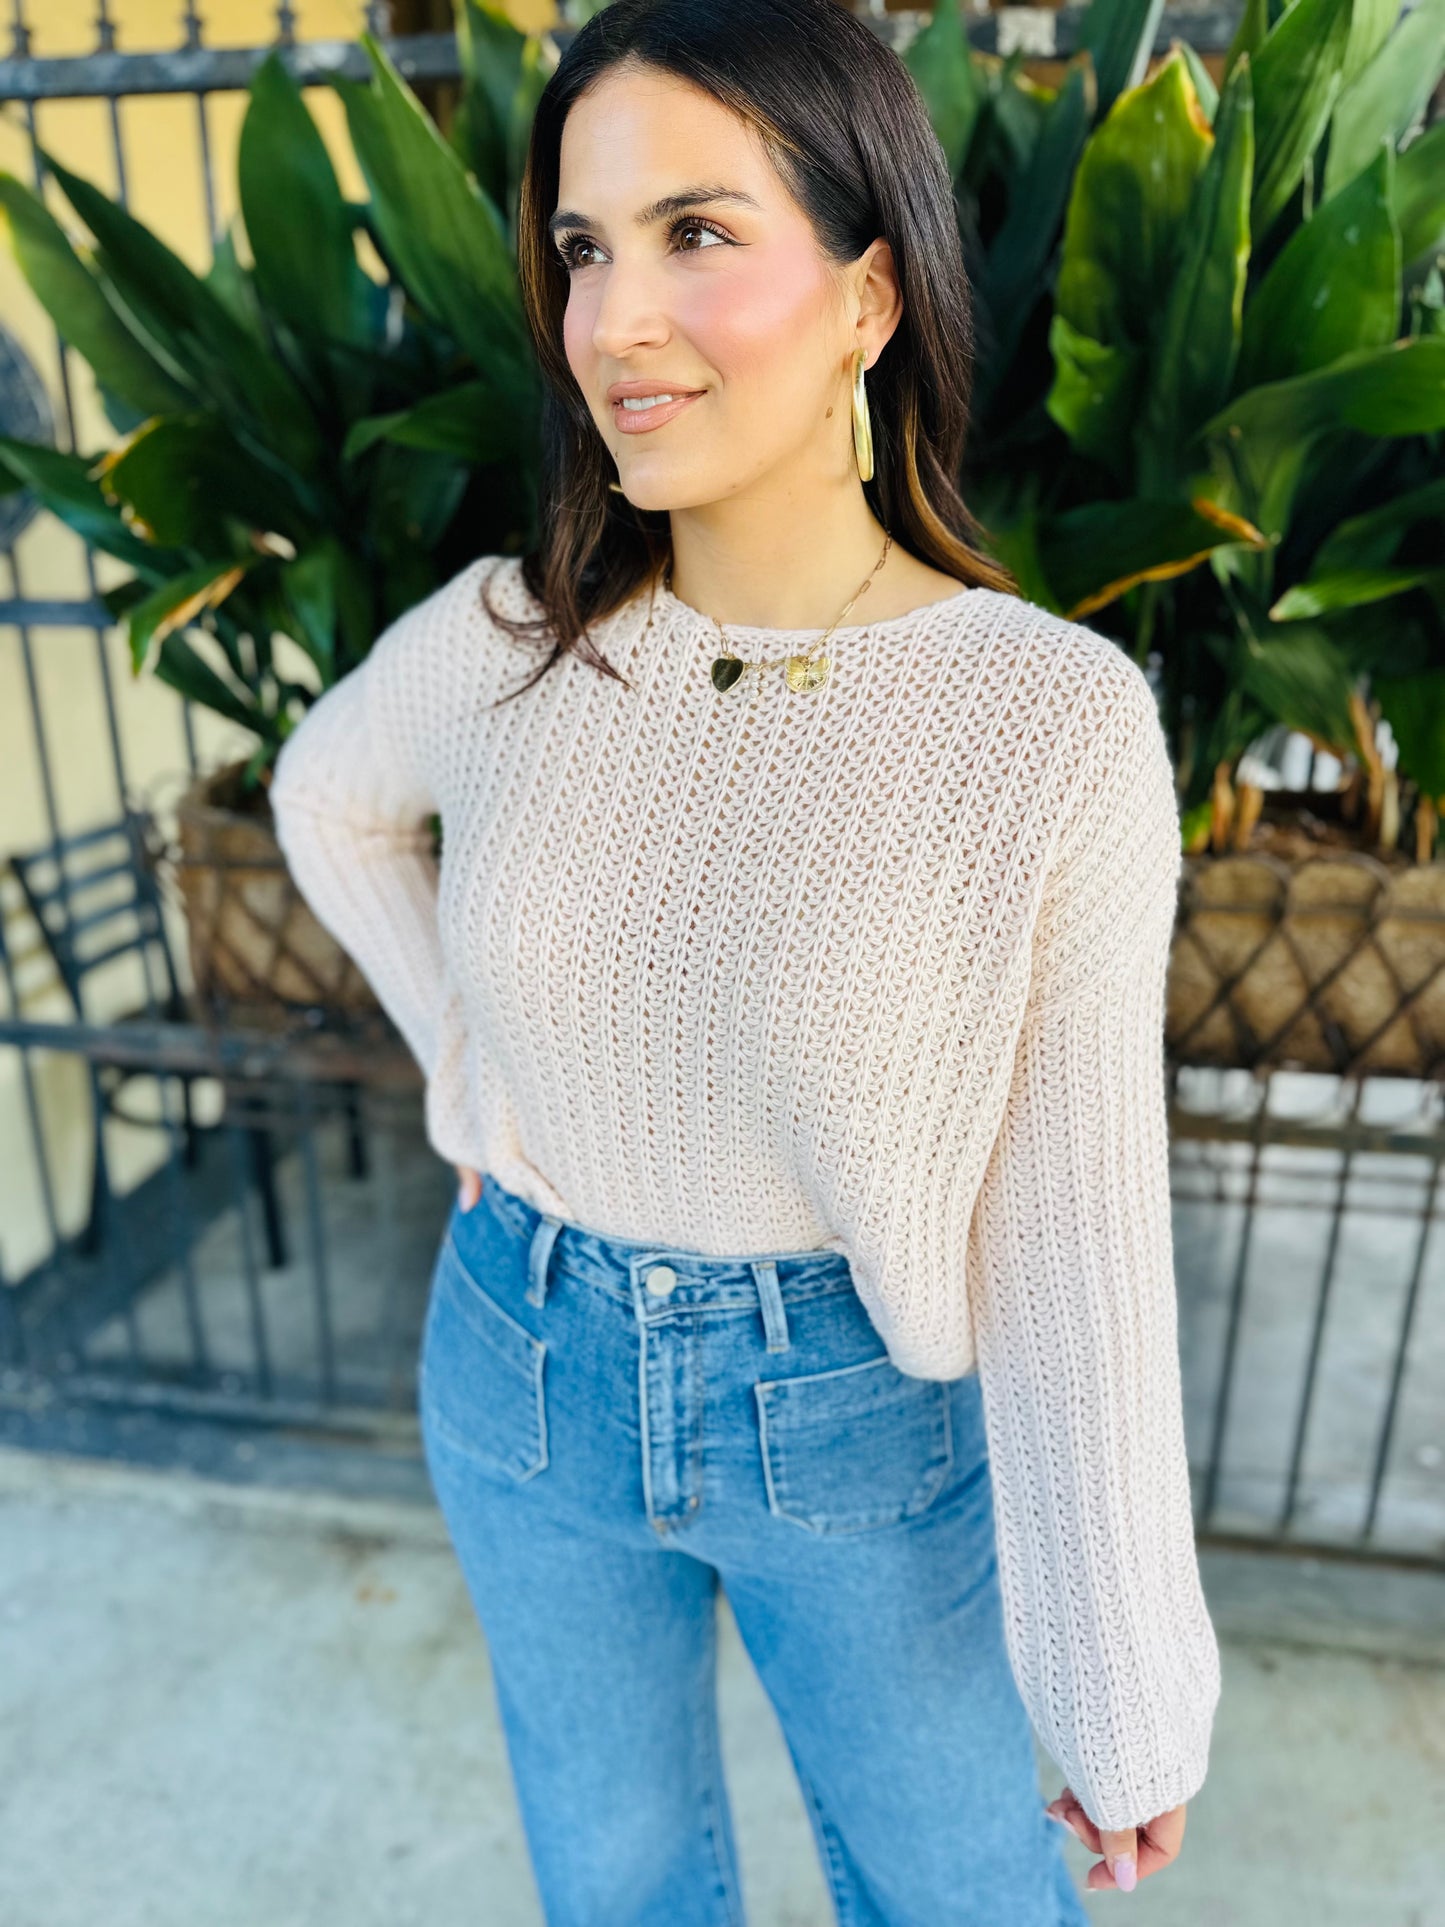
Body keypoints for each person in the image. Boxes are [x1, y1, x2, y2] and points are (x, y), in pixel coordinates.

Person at [269, 0, 1221, 1919]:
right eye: (583, 248)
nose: (615, 319)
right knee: (615, 1880)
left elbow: (1072, 1234)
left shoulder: (1039, 725)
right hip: (522, 1360)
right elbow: (326, 797)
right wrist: (470, 1068)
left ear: (868, 296)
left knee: (957, 1894)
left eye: (695, 233)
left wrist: (1122, 1696)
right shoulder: (512, 634)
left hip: (850, 1415)